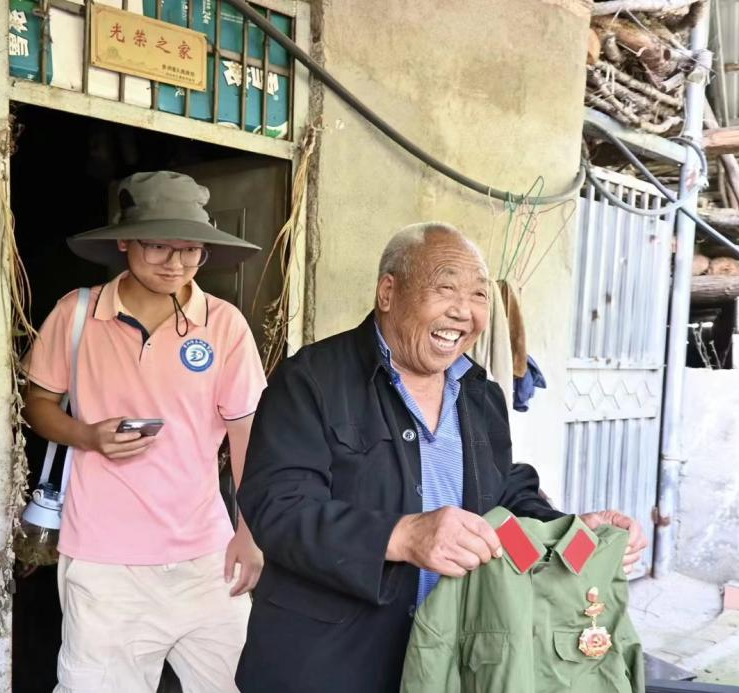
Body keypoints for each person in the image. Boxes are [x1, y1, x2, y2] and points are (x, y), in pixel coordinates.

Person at [234, 221, 649, 693]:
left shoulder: (480, 393)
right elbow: (278, 508)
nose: (464, 311)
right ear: (388, 292)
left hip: (449, 660)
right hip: (330, 664)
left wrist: (568, 530)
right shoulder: (310, 381)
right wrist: (403, 535)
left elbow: (503, 494)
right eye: (445, 289)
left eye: (478, 295)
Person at [22, 171, 267, 692]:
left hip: (207, 557)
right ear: (124, 242)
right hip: (105, 564)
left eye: (191, 249)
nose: (175, 263)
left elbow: (246, 432)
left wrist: (250, 533)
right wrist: (87, 435)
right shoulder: (76, 314)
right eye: (158, 245)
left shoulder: (224, 324)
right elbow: (38, 405)